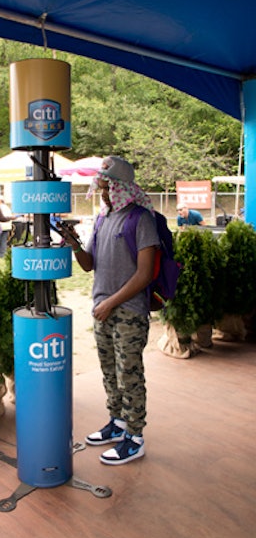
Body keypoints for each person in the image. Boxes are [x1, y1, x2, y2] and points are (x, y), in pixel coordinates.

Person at [65, 156, 159, 465]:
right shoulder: (103, 218)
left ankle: (135, 437)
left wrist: (110, 302)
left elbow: (144, 274)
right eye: (100, 187)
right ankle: (118, 424)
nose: (103, 194)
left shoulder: (141, 219)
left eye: (107, 188)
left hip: (128, 312)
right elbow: (90, 264)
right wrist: (74, 244)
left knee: (128, 374)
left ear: (123, 187)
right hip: (102, 309)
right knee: (109, 373)